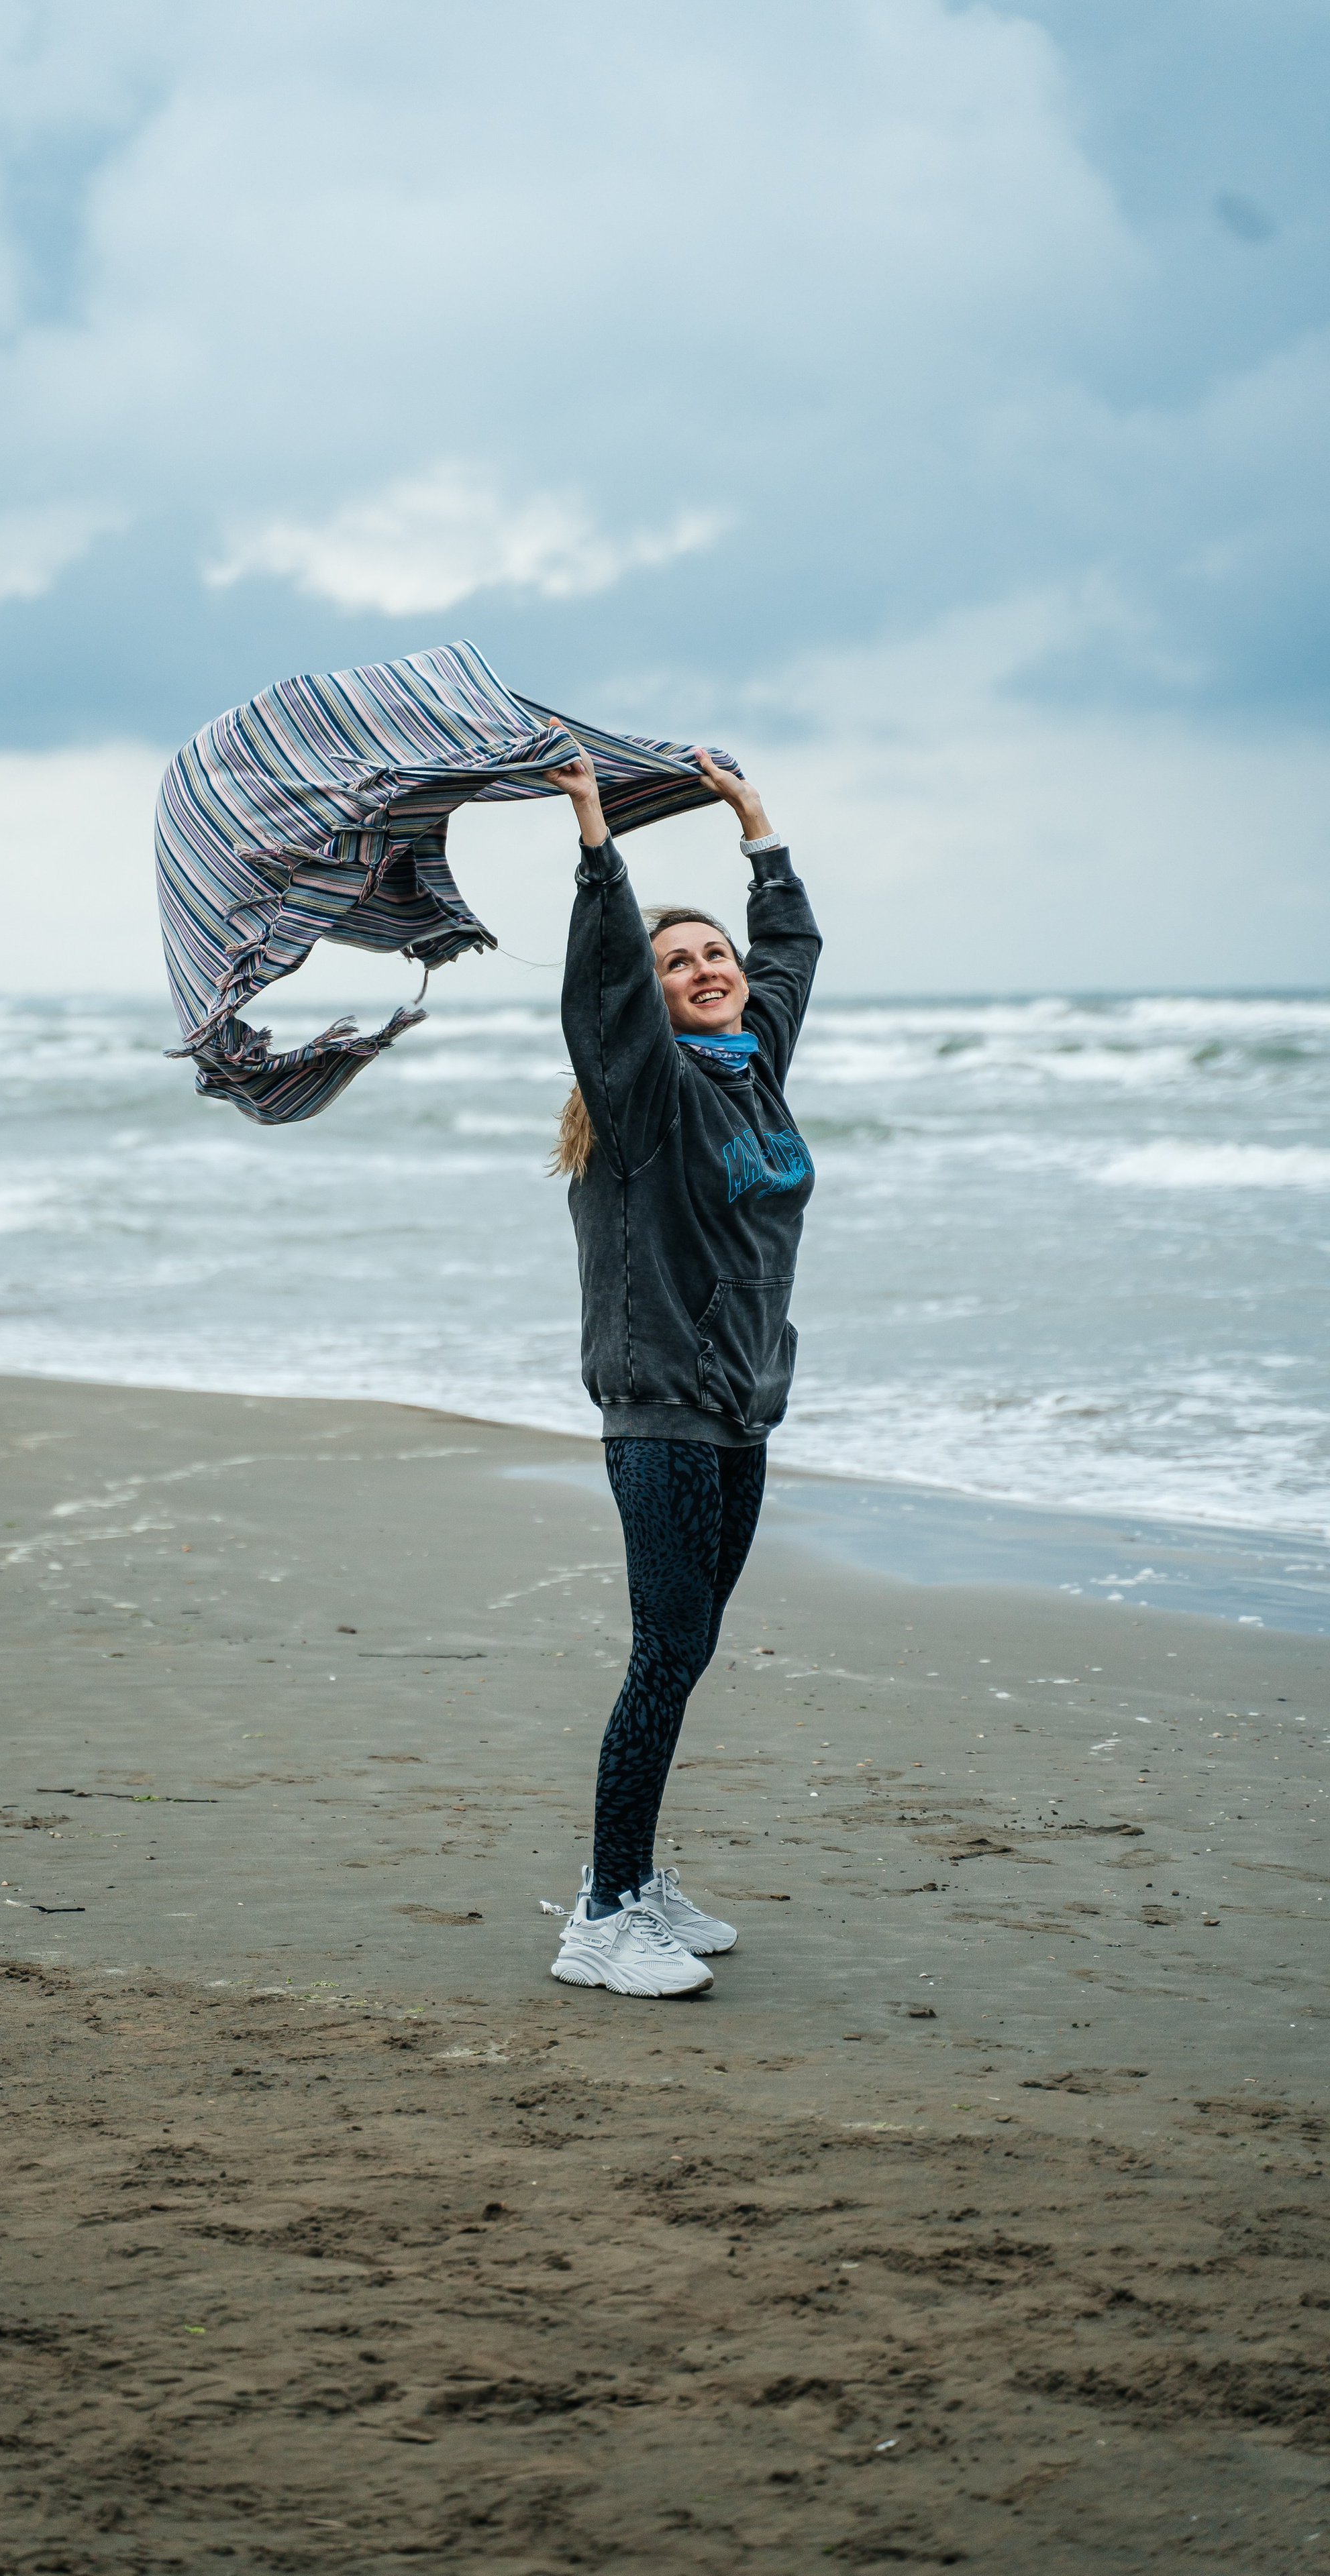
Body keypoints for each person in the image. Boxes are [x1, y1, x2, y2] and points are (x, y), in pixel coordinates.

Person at [542, 739, 822, 1996]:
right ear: (647, 1004)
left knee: (689, 1648)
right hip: (662, 1412)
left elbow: (794, 965)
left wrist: (759, 830)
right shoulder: (647, 1093)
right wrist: (599, 841)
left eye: (715, 954)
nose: (708, 972)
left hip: (744, 1408)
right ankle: (603, 1918)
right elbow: (602, 988)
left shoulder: (750, 1072)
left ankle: (638, 1873)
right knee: (665, 1653)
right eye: (679, 963)